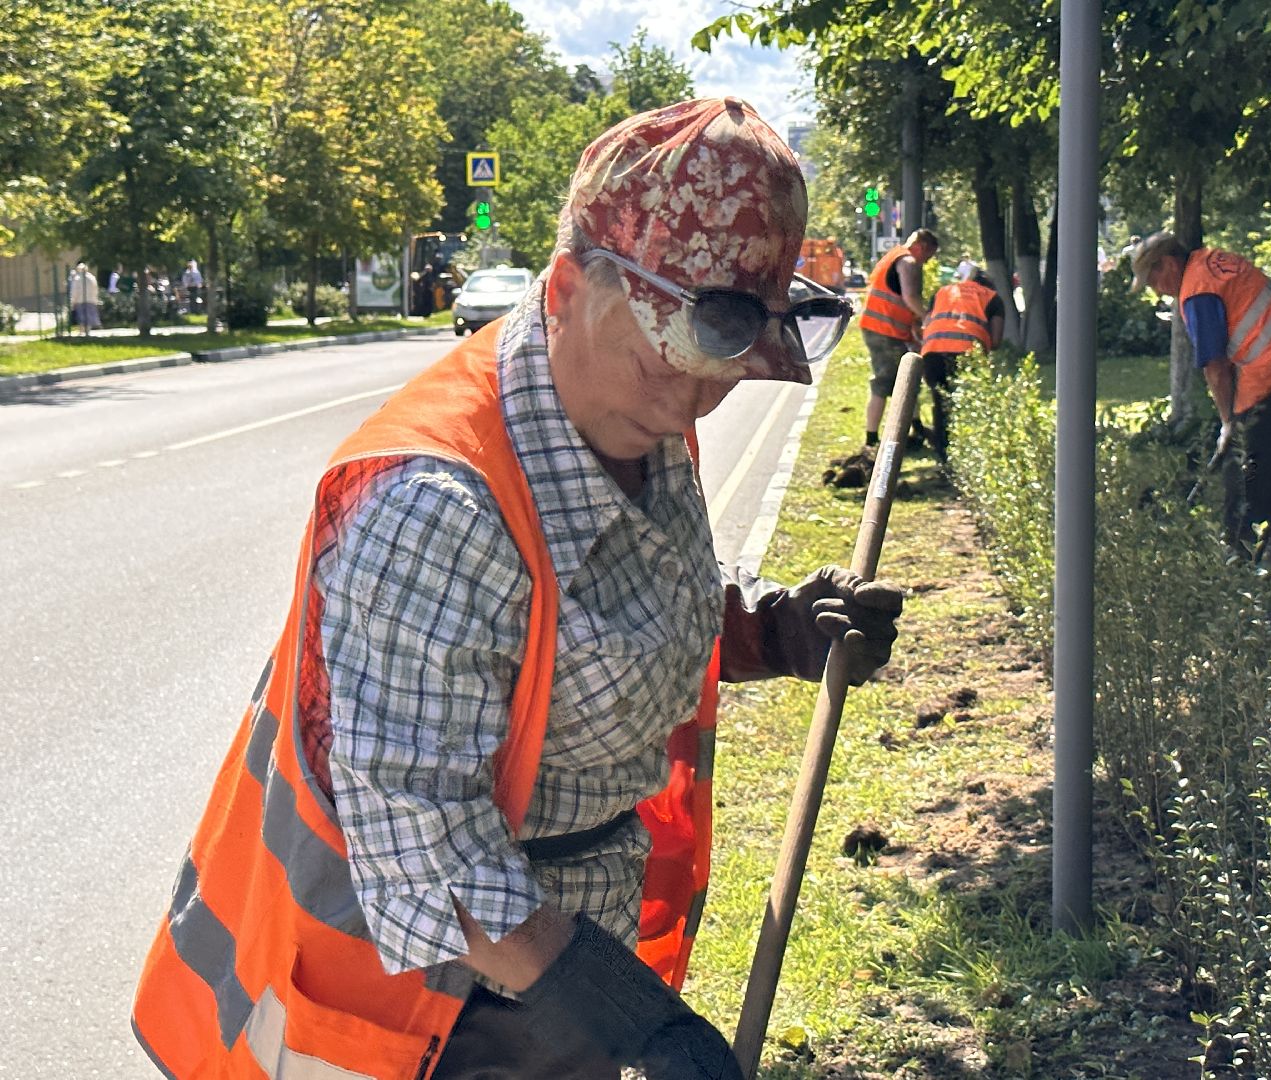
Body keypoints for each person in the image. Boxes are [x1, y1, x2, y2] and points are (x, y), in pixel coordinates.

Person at [132, 97, 899, 1080]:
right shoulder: (434, 507)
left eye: (723, 368)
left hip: (545, 987)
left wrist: (769, 627)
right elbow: (434, 859)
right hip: (410, 1014)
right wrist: (636, 1023)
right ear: (573, 283)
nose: (697, 398)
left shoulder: (637, 407)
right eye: (670, 361)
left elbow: (615, 607)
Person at [1130, 231, 1271, 565]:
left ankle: (1243, 556)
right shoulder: (1212, 262)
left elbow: (1216, 367)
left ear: (1169, 264)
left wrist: (1229, 422)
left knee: (1246, 475)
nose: (1156, 289)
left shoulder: (1197, 292)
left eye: (1153, 280)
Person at [857, 228, 939, 450]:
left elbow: (901, 302)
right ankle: (873, 439)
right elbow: (910, 296)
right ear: (922, 247)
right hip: (884, 330)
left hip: (884, 329)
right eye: (928, 256)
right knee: (889, 381)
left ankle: (915, 427)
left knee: (906, 380)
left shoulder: (894, 256)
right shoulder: (908, 262)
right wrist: (928, 318)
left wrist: (914, 327)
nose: (926, 262)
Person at [919, 269, 1004, 456]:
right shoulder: (993, 298)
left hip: (932, 351)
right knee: (967, 403)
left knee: (941, 402)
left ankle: (943, 454)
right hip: (966, 354)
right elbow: (996, 341)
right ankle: (967, 453)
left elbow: (926, 322)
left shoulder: (943, 291)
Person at [67, 262, 101, 335]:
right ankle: (87, 331)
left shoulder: (77, 278)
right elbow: (95, 289)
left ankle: (81, 331)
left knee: (81, 317)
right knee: (89, 316)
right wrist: (95, 299)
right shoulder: (92, 278)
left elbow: (74, 291)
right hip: (91, 300)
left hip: (80, 301)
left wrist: (73, 301)